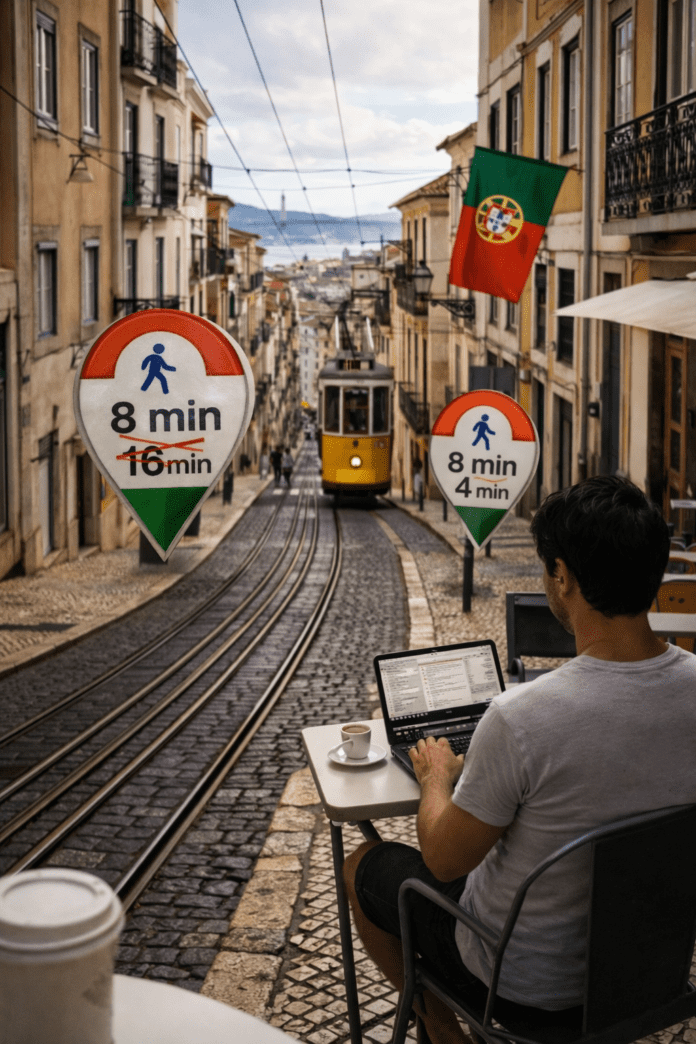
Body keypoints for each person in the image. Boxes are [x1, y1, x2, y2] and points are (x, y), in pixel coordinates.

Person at [344, 476, 696, 1044]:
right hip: (645, 978)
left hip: (525, 989)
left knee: (362, 862)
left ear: (562, 577)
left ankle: (445, 1036)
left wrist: (436, 778)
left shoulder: (520, 718)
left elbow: (442, 860)